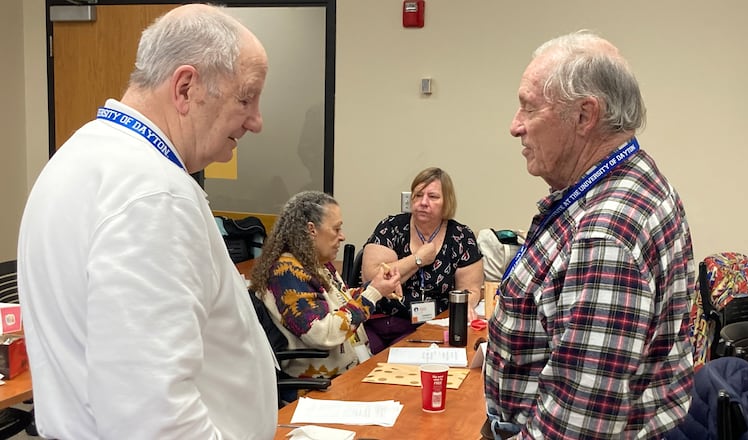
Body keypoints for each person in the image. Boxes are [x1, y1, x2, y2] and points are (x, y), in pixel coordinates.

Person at [17, 4, 278, 439]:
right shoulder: (153, 194)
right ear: (186, 87)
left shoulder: (80, 157)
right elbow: (154, 420)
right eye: (246, 98)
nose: (257, 121)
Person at [484, 31, 695, 439]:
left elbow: (576, 425)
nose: (515, 126)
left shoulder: (606, 234)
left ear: (584, 115)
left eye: (529, 109)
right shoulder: (632, 177)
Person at [249, 191, 402, 390]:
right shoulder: (287, 272)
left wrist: (374, 288)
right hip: (325, 385)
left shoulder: (316, 263)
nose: (342, 236)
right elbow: (322, 333)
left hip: (351, 370)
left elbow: (338, 303)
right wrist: (371, 294)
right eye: (336, 229)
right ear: (311, 229)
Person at [362, 167, 484, 353]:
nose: (423, 202)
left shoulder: (461, 236)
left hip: (428, 326)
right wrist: (418, 259)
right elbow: (372, 278)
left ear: (447, 202)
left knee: (404, 361)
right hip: (379, 319)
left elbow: (472, 290)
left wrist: (465, 304)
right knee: (360, 365)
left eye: (433, 197)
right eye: (418, 195)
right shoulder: (391, 227)